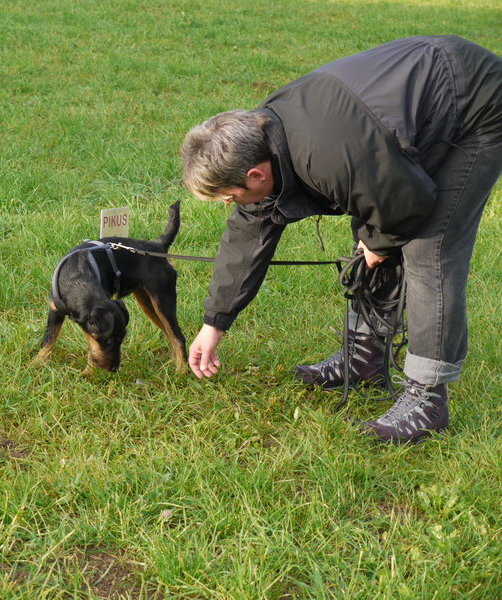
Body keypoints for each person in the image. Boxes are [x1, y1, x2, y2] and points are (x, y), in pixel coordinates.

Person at [180, 35, 502, 443]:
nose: (233, 204)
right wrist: (214, 324)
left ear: (255, 176)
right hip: (396, 118)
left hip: (475, 100)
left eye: (230, 196)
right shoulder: (262, 142)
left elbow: (406, 205)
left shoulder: (326, 153)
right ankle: (365, 358)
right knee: (373, 225)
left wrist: (380, 242)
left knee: (428, 249)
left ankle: (426, 400)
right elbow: (248, 233)